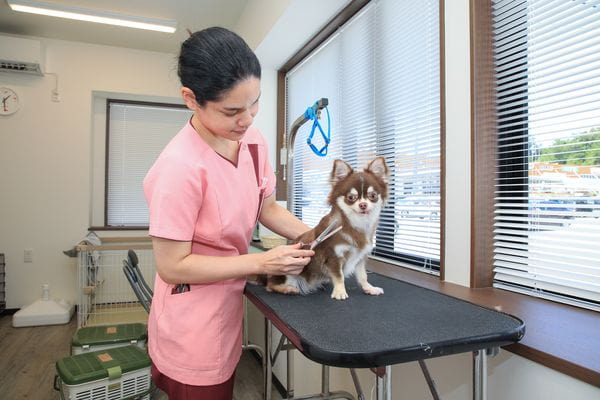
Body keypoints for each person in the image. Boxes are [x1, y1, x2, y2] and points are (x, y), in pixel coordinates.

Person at [143, 27, 314, 400]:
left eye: (254, 103)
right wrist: (263, 262)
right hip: (192, 323)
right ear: (191, 99)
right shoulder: (178, 167)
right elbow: (173, 266)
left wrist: (312, 236)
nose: (248, 119)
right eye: (232, 111)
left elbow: (265, 207)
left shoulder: (251, 141)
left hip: (225, 306)